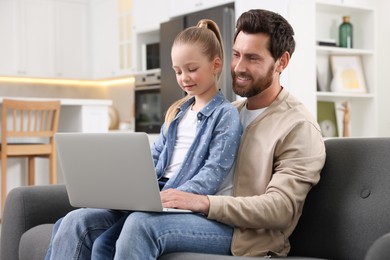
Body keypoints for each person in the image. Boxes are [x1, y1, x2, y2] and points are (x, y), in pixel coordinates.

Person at [111, 9, 326, 259]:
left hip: (245, 236)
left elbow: (282, 208)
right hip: (197, 217)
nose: (239, 67)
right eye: (236, 55)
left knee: (141, 226)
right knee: (84, 221)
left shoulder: (298, 126)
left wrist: (203, 202)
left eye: (253, 58)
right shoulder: (225, 111)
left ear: (282, 62)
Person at [44, 19, 242, 260]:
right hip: (156, 193)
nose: (184, 78)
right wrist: (130, 187)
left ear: (216, 65)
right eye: (178, 71)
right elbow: (154, 157)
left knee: (107, 243)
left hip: (184, 201)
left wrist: (170, 197)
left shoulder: (225, 114)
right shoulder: (177, 113)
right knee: (72, 221)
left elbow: (212, 173)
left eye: (192, 69)